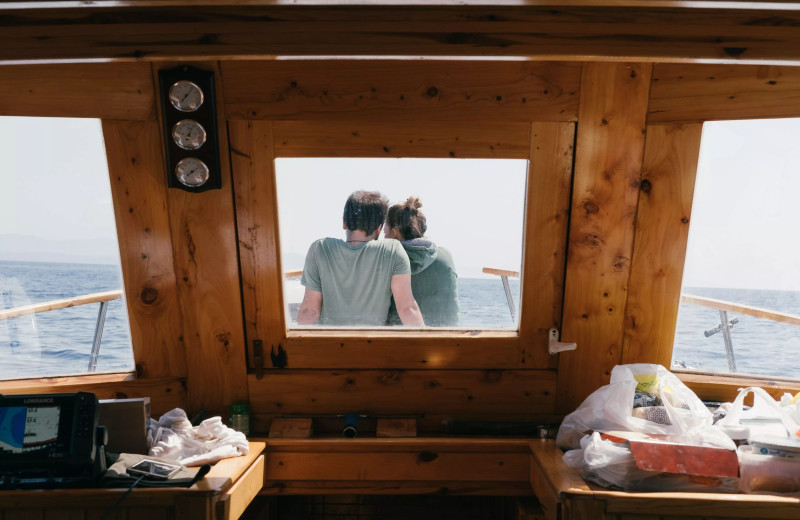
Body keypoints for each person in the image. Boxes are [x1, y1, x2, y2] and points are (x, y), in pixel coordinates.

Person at [297, 190, 425, 327]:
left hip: (331, 345)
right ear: (379, 228)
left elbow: (310, 311)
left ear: (344, 222)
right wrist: (426, 345)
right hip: (371, 345)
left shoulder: (320, 249)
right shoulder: (392, 251)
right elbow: (407, 309)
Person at [385, 196, 459, 327]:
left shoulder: (389, 259)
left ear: (394, 232)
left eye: (385, 231)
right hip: (448, 341)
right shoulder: (445, 256)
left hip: (400, 342)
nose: (384, 237)